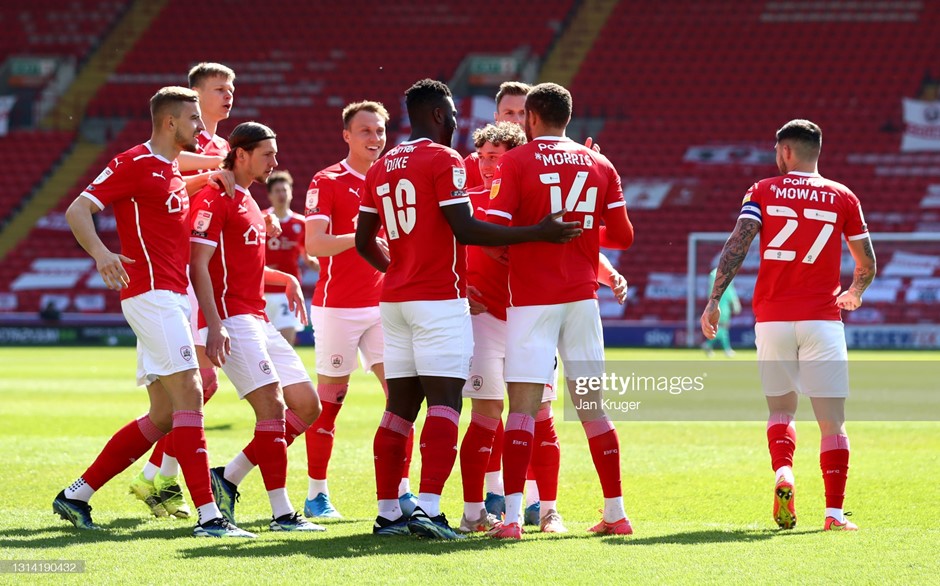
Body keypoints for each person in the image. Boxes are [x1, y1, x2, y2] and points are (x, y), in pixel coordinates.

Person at [355, 78, 581, 539]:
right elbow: (467, 229)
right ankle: (432, 510)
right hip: (439, 299)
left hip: (394, 299)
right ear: (438, 114)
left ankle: (388, 514)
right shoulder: (445, 159)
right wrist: (537, 232)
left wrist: (397, 267)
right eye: (454, 112)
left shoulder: (381, 167)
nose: (459, 120)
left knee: (398, 407)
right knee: (444, 404)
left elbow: (363, 240)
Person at [56, 86, 252, 538]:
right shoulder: (134, 162)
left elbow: (166, 194)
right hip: (150, 295)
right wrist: (103, 253)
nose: (201, 129)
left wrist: (207, 179)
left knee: (164, 414)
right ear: (170, 122)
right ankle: (210, 516)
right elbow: (77, 208)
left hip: (172, 297)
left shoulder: (166, 171)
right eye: (194, 120)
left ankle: (76, 495)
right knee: (192, 391)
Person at [701, 119, 876, 532]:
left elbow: (737, 244)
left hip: (774, 318)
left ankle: (784, 472)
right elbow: (866, 262)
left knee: (781, 409)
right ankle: (833, 514)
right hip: (823, 319)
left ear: (784, 151)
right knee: (833, 421)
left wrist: (713, 300)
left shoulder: (762, 190)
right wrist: (855, 292)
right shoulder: (843, 196)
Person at [457, 122, 629, 534]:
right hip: (486, 317)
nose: (487, 165)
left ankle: (546, 510)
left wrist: (606, 272)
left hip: (527, 311)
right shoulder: (464, 198)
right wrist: (462, 289)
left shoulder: (524, 186)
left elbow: (567, 237)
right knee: (485, 414)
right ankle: (473, 510)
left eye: (495, 157)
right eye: (482, 157)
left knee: (540, 414)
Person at [189, 121, 325, 532]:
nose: (276, 161)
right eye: (268, 153)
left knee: (308, 405)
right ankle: (283, 513)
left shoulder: (248, 199)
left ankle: (228, 477)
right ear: (241, 153)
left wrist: (285, 280)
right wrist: (213, 325)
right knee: (272, 408)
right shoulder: (217, 195)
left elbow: (245, 269)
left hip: (258, 317)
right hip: (230, 319)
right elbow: (198, 265)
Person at [130, 62, 238, 520]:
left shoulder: (219, 146)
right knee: (199, 384)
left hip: (202, 275)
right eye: (219, 89)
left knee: (193, 390)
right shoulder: (188, 145)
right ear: (193, 96)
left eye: (232, 88)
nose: (228, 95)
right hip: (174, 276)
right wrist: (226, 164)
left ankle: (157, 477)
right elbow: (174, 167)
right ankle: (162, 480)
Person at [303, 100, 416, 519]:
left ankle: (401, 492)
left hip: (386, 307)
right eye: (365, 131)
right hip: (339, 309)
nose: (375, 139)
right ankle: (317, 493)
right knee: (330, 403)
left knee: (402, 400)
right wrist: (360, 237)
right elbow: (315, 245)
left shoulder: (395, 178)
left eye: (381, 131)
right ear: (347, 135)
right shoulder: (327, 180)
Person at [263, 170, 316, 345]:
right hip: (261, 292)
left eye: (284, 190)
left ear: (291, 193)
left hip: (288, 292)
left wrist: (314, 263)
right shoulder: (261, 219)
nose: (281, 194)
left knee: (286, 346)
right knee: (262, 347)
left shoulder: (301, 224)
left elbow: (307, 254)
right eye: (277, 191)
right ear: (270, 195)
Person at [702, 267, 741, 357]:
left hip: (715, 302)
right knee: (722, 326)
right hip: (723, 304)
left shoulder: (713, 273)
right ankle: (722, 348)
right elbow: (729, 291)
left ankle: (710, 345)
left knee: (721, 327)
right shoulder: (726, 272)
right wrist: (735, 302)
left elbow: (710, 290)